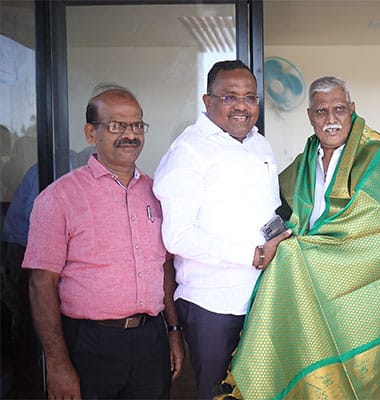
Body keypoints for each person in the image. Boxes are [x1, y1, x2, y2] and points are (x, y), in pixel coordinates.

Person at [219, 76, 380, 399]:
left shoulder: (374, 152)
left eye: (339, 109)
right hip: (308, 286)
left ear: (352, 110)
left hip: (356, 287)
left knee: (358, 381)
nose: (331, 119)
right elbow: (276, 202)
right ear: (310, 116)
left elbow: (377, 228)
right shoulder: (307, 157)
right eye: (321, 111)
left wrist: (296, 252)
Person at [22, 83, 184, 399]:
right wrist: (56, 363)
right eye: (116, 126)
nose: (130, 134)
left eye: (137, 125)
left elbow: (164, 269)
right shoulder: (59, 198)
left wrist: (174, 331)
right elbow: (41, 285)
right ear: (90, 133)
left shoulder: (158, 193)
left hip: (151, 340)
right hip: (89, 345)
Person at [152, 59, 290, 399]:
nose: (242, 105)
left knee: (258, 391)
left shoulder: (259, 143)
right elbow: (178, 236)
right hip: (214, 305)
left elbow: (267, 210)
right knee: (218, 394)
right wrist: (253, 255)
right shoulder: (189, 151)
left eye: (250, 97)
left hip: (262, 298)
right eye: (229, 97)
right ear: (208, 101)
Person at [1, 146, 94, 398]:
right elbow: (39, 223)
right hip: (22, 247)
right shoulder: (51, 172)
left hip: (47, 249)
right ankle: (25, 383)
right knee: (29, 316)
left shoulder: (76, 167)